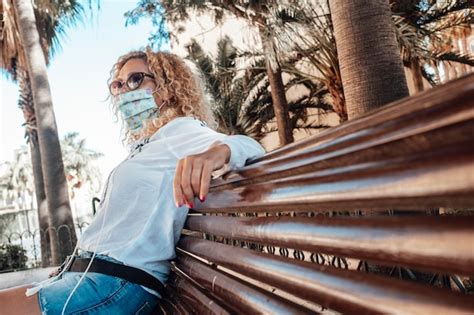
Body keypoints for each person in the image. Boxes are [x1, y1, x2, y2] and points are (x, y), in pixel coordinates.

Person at [0, 48, 265, 314]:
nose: (125, 90)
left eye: (136, 79)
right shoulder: (149, 144)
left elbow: (249, 147)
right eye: (118, 84)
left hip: (115, 284)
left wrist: (215, 154)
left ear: (168, 87)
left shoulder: (181, 131)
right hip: (92, 277)